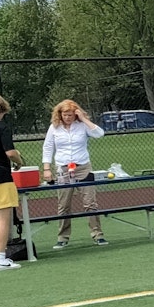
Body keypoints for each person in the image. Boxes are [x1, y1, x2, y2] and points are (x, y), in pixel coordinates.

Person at [41, 99, 107, 248]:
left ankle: (97, 234)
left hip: (82, 167)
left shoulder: (82, 125)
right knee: (63, 204)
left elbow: (99, 134)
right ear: (60, 114)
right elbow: (48, 147)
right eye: (65, 114)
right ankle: (63, 237)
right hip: (63, 169)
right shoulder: (54, 128)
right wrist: (46, 168)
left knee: (90, 203)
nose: (68, 117)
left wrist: (84, 118)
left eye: (71, 114)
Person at [0, 94, 20, 270]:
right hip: (0, 178)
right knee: (3, 219)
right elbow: (10, 153)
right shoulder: (2, 127)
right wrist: (20, 161)